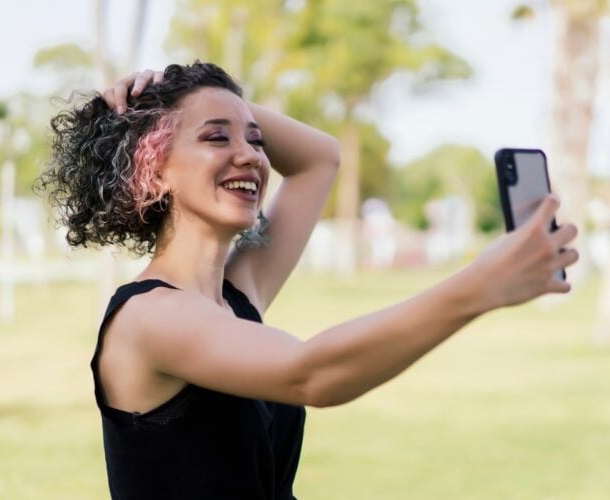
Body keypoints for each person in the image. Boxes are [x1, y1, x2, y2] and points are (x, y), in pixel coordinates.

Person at [37, 62, 578, 499]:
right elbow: (311, 376)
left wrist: (204, 97)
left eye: (254, 139)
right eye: (215, 138)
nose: (249, 154)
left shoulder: (236, 293)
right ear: (154, 169)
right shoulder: (148, 318)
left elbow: (319, 158)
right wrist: (480, 287)